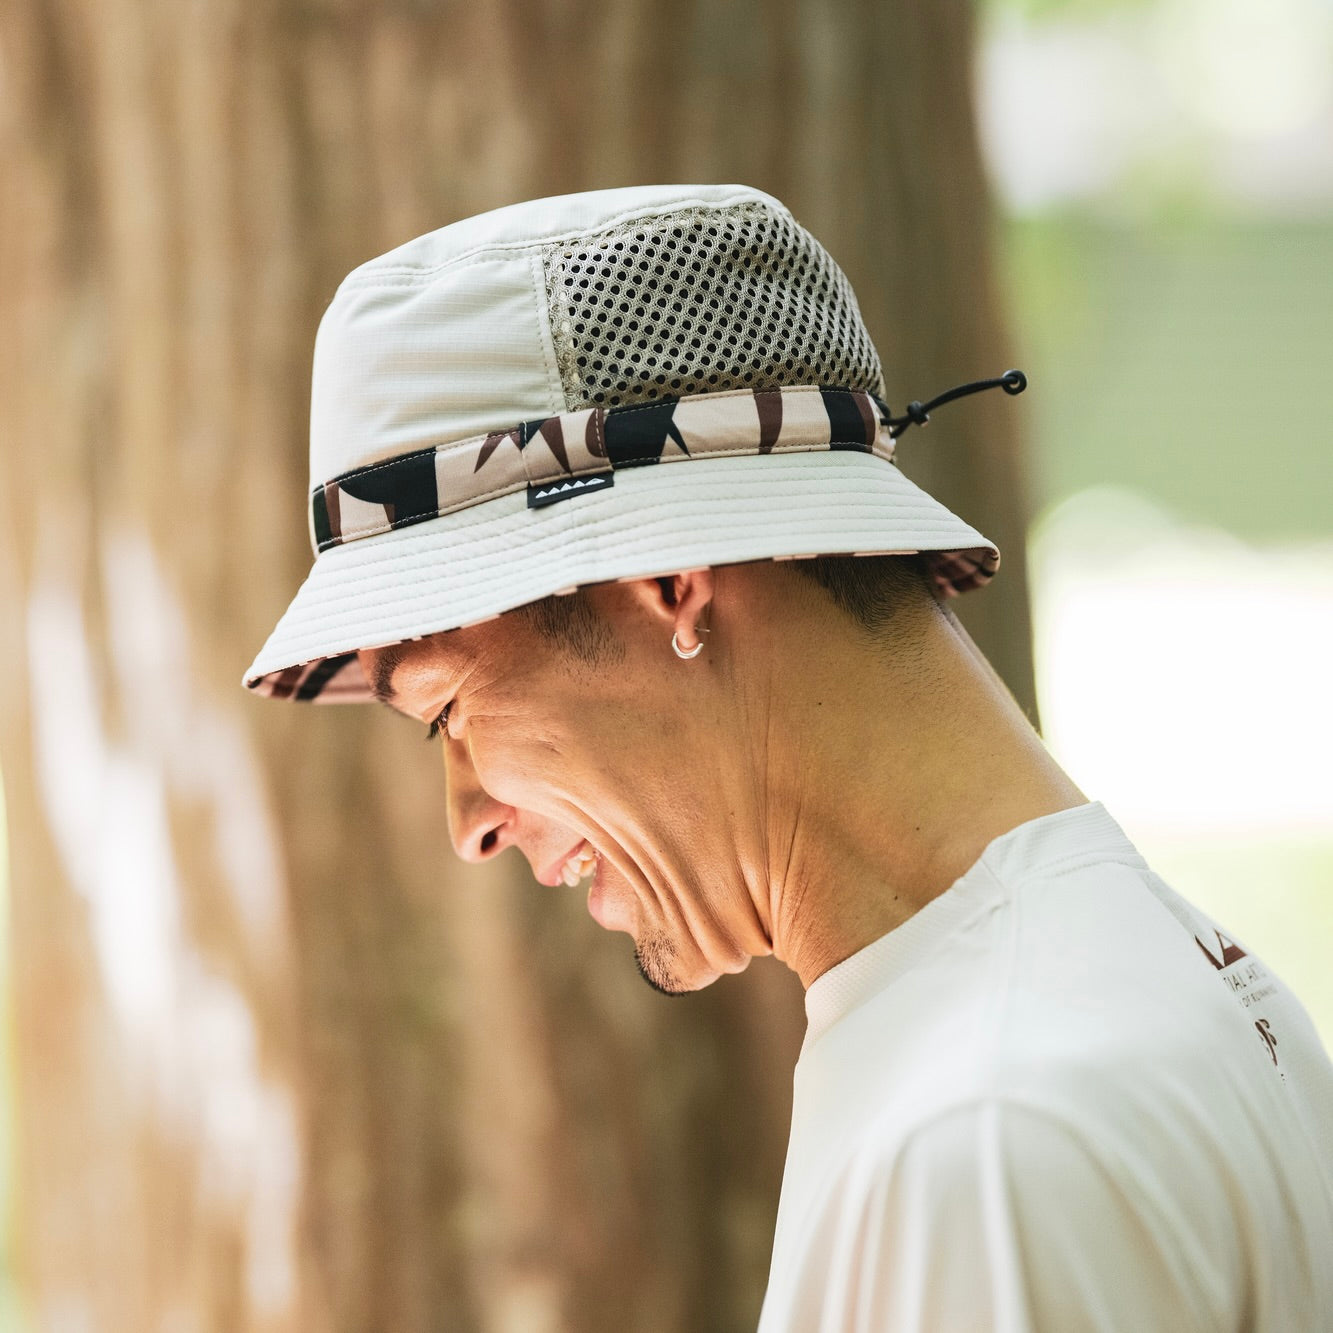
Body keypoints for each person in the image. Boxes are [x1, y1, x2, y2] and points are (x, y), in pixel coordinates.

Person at [244, 185, 1333, 1330]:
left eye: (447, 709)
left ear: (661, 581)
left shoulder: (985, 1131)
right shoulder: (1181, 988)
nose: (467, 822)